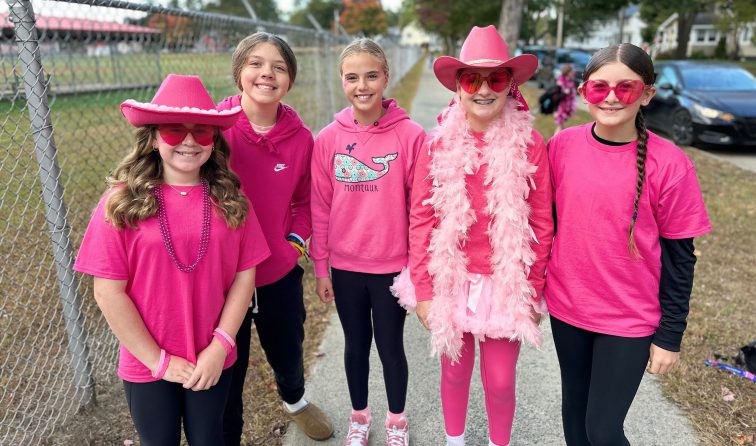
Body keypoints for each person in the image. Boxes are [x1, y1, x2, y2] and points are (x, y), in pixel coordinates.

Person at [73, 74, 271, 445]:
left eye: (202, 132)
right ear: (151, 137)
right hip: (147, 362)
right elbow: (108, 293)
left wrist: (221, 345)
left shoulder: (231, 201)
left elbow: (245, 277)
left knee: (209, 438)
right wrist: (158, 360)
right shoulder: (121, 203)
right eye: (174, 131)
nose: (190, 142)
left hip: (210, 357)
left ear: (215, 141)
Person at [390, 26, 553, 446]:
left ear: (510, 86)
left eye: (495, 79)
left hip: (506, 282)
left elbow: (541, 223)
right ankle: (454, 440)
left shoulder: (531, 144)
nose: (483, 89)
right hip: (450, 279)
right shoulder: (437, 145)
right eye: (472, 80)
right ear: (458, 88)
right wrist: (424, 289)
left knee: (499, 380)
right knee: (454, 369)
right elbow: (421, 218)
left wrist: (531, 291)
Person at [545, 43, 712, 446]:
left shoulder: (670, 164)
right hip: (568, 310)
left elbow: (679, 259)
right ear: (584, 92)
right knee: (575, 419)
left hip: (629, 320)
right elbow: (544, 224)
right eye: (600, 88)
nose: (613, 98)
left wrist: (669, 336)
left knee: (602, 431)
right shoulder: (561, 147)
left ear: (648, 94)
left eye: (627, 88)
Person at [216, 32, 333, 443]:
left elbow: (304, 201)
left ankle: (295, 400)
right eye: (256, 64)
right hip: (223, 278)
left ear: (289, 80)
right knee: (229, 363)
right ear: (239, 73)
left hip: (277, 271)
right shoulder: (215, 132)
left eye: (279, 67)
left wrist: (294, 245)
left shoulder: (302, 140)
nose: (267, 73)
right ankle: (228, 431)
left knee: (287, 345)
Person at [310, 38, 426, 446]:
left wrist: (417, 267)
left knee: (391, 347)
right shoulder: (328, 138)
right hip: (345, 267)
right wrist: (321, 267)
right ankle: (359, 416)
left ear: (386, 78)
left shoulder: (411, 136)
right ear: (342, 81)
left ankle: (396, 421)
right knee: (355, 345)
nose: (362, 85)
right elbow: (320, 207)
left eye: (371, 75)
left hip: (391, 267)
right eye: (352, 77)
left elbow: (420, 209)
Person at [554, 63, 576, 134]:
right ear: (567, 72)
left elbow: (572, 97)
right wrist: (565, 91)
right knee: (560, 127)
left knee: (562, 127)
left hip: (566, 107)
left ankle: (560, 140)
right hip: (560, 107)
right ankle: (553, 142)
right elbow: (558, 93)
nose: (573, 73)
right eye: (572, 72)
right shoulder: (561, 81)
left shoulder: (571, 82)